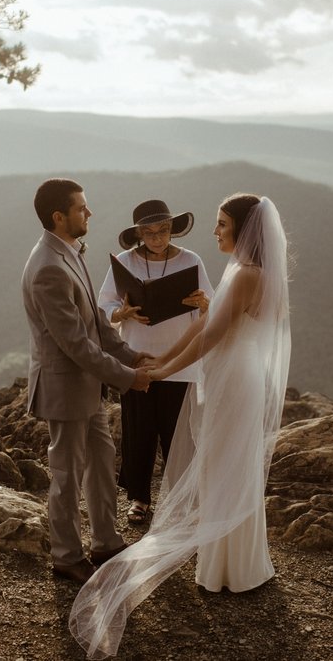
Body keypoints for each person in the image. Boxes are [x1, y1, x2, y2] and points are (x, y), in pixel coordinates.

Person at [69, 194, 291, 659]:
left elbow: (210, 335)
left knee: (223, 465)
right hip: (235, 378)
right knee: (227, 466)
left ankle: (229, 569)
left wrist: (161, 372)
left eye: (222, 224)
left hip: (234, 383)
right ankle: (237, 564)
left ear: (244, 230)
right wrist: (162, 363)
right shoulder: (250, 273)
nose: (215, 233)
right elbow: (208, 325)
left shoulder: (246, 275)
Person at [21, 178, 153, 586]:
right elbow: (75, 344)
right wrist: (129, 379)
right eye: (82, 208)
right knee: (66, 475)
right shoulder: (47, 269)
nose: (89, 213)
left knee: (101, 463)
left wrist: (131, 354)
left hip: (89, 387)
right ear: (59, 217)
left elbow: (95, 319)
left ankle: (107, 542)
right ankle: (66, 557)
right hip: (65, 389)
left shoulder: (68, 252)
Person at [98, 199, 214, 525]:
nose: (157, 239)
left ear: (171, 228)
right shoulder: (124, 262)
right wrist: (121, 312)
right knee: (139, 431)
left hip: (181, 362)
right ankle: (138, 499)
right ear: (138, 234)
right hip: (137, 359)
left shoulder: (191, 261)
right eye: (148, 233)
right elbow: (102, 306)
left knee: (178, 435)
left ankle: (179, 500)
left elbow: (213, 311)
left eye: (162, 230)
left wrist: (204, 303)